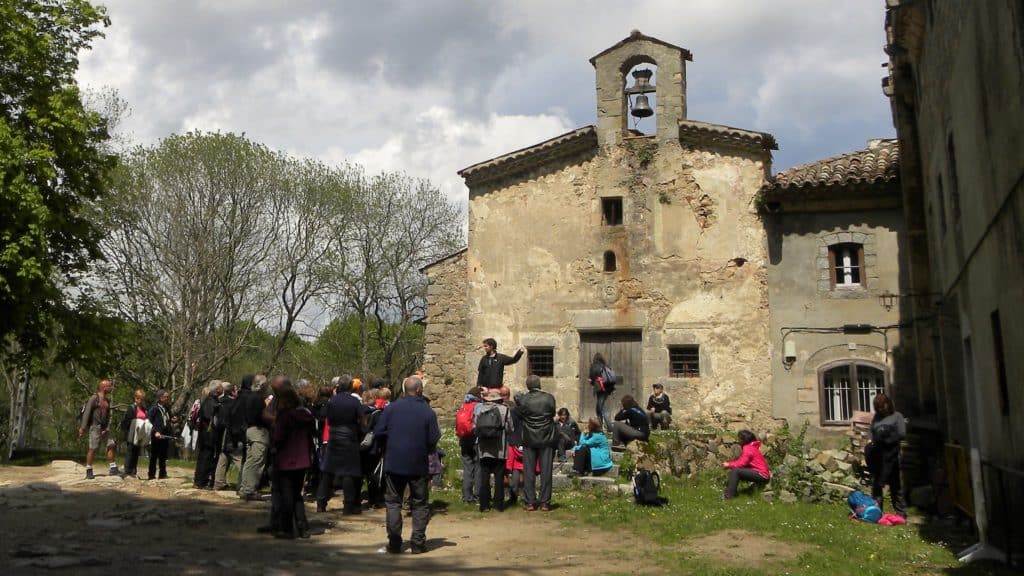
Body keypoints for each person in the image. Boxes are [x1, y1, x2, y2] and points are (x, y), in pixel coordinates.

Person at [373, 375, 441, 555]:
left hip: (394, 461)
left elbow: (378, 432)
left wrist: (391, 441)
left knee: (393, 502)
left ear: (404, 390)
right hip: (418, 463)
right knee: (419, 503)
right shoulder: (428, 412)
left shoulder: (391, 409)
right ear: (419, 390)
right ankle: (417, 543)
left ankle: (395, 542)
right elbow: (433, 438)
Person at [270, 379, 315, 539]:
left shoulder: (285, 417)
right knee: (297, 494)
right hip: (302, 459)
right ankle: (302, 527)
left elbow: (278, 437)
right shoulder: (306, 416)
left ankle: (287, 529)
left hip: (286, 460)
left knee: (287, 495)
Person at [317, 375, 363, 514]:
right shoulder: (354, 402)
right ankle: (348, 506)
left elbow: (328, 420)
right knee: (349, 472)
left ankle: (321, 503)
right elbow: (362, 421)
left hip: (334, 437)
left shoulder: (332, 401)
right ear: (350, 387)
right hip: (349, 438)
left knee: (328, 471)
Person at [516, 374, 556, 512]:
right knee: (546, 471)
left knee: (529, 471)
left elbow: (521, 415)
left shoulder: (524, 400)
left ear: (528, 386)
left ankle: (530, 502)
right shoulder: (549, 398)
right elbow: (552, 413)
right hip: (546, 437)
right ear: (539, 385)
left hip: (529, 437)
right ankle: (545, 502)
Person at [866, 393, 907, 518]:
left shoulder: (897, 416)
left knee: (895, 485)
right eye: (878, 408)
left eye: (882, 407)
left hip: (892, 455)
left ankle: (900, 514)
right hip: (878, 455)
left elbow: (902, 433)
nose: (881, 410)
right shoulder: (876, 418)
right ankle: (876, 512)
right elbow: (871, 432)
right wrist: (870, 441)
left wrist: (887, 435)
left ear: (888, 404)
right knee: (877, 484)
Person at [475, 387, 512, 512]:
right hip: (500, 449)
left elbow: (475, 426)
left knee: (484, 477)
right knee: (499, 477)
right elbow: (510, 428)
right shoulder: (505, 410)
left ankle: (484, 504)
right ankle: (498, 504)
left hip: (484, 449)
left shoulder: (480, 409)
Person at [238, 374, 270, 501]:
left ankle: (244, 487)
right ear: (262, 385)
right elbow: (260, 416)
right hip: (258, 431)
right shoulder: (257, 399)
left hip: (249, 430)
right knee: (257, 461)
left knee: (250, 461)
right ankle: (249, 490)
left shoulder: (249, 397)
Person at [79, 379, 119, 479]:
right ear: (104, 387)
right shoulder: (94, 398)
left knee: (111, 444)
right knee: (93, 448)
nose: (111, 388)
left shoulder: (107, 400)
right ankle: (89, 469)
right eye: (109, 386)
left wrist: (107, 427)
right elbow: (87, 413)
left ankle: (113, 467)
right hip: (95, 426)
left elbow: (108, 414)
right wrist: (83, 428)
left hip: (105, 427)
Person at [722, 430, 771, 498]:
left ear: (743, 440)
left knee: (736, 471)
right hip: (761, 473)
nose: (738, 440)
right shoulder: (751, 447)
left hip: (761, 475)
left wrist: (728, 464)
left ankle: (729, 495)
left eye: (739, 438)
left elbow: (741, 463)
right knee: (736, 470)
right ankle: (731, 491)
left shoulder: (748, 448)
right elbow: (742, 462)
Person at [193, 381, 223, 489]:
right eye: (220, 387)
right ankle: (201, 481)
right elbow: (207, 415)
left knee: (205, 456)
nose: (222, 388)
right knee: (205, 457)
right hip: (207, 434)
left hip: (206, 434)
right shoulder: (210, 401)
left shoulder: (212, 400)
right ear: (216, 390)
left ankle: (199, 481)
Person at [213, 383, 242, 491]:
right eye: (236, 390)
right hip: (232, 434)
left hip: (223, 435)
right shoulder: (234, 404)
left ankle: (218, 482)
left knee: (223, 457)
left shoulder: (220, 403)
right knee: (240, 459)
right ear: (233, 392)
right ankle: (243, 484)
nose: (238, 391)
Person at [457, 386, 483, 504]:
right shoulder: (478, 406)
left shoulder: (463, 405)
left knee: (467, 469)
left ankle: (466, 497)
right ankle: (477, 496)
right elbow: (479, 423)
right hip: (475, 440)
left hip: (464, 440)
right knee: (478, 468)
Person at [120, 388, 149, 478]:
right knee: (130, 451)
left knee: (136, 452)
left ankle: (133, 470)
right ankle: (127, 470)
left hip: (140, 433)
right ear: (135, 398)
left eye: (142, 399)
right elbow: (127, 421)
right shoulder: (131, 408)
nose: (140, 401)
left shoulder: (144, 409)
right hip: (132, 433)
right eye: (139, 399)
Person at [147, 389, 173, 480]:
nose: (167, 398)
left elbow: (169, 418)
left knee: (163, 455)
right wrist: (155, 431)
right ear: (160, 397)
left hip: (165, 433)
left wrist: (173, 419)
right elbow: (149, 421)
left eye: (167, 396)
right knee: (154, 455)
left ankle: (162, 473)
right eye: (166, 396)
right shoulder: (154, 408)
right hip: (156, 434)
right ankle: (151, 474)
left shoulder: (166, 407)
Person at [588, 353, 614, 431]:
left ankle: (610, 428)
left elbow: (592, 379)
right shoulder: (606, 366)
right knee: (598, 409)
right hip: (607, 389)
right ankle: (600, 427)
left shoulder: (594, 366)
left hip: (600, 389)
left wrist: (591, 381)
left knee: (602, 409)